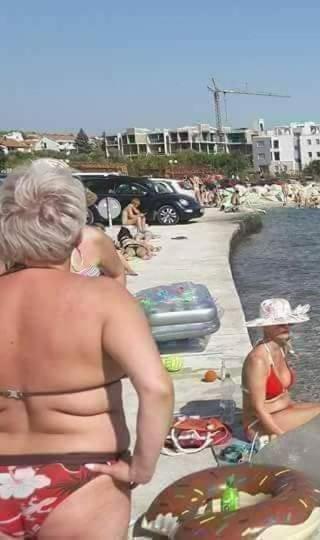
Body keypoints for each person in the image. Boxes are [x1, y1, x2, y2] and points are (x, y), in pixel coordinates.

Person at [0, 159, 174, 538]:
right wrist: (141, 469)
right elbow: (156, 389)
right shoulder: (105, 300)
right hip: (83, 473)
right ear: (77, 233)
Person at [241, 298, 320, 440]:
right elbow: (258, 409)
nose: (285, 327)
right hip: (259, 424)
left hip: (285, 410)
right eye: (279, 324)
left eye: (288, 323)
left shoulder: (281, 348)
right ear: (265, 327)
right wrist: (282, 439)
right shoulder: (257, 360)